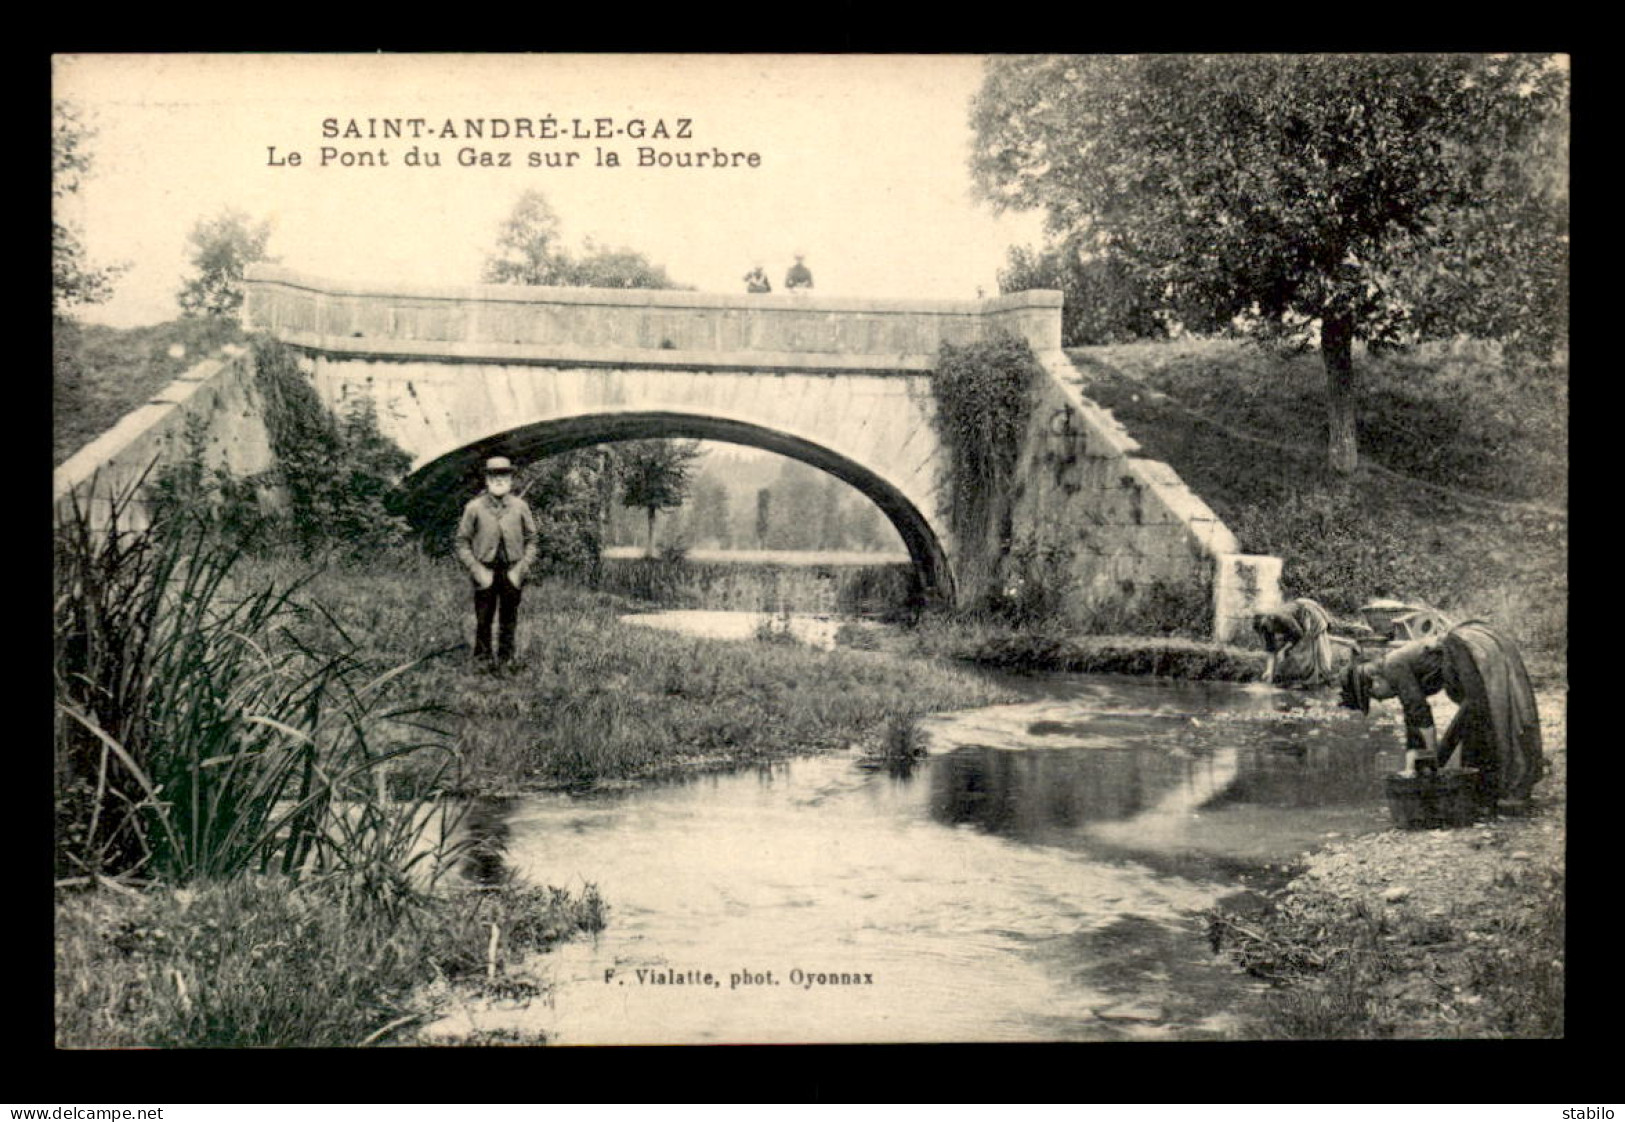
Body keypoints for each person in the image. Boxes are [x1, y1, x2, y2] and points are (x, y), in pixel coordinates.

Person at [1340, 620, 1544, 810]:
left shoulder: (1392, 666)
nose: (1382, 700)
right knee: (1480, 719)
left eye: (1374, 695)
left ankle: (1497, 790)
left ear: (1374, 680)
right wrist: (1416, 765)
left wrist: (1433, 761)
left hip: (1463, 648)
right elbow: (1413, 722)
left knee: (1481, 717)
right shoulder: (1394, 668)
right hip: (1465, 648)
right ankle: (1492, 791)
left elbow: (1419, 714)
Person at [455, 456, 538, 669]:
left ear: (511, 480)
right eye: (494, 475)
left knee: (509, 619)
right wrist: (476, 569)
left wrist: (521, 568)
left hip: (513, 570)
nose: (499, 480)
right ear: (487, 480)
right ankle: (482, 661)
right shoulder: (474, 507)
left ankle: (506, 660)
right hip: (484, 570)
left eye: (504, 475)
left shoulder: (520, 507)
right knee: (484, 618)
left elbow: (532, 540)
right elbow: (462, 542)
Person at [1252, 597, 1357, 687]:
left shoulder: (1283, 617)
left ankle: (1322, 679)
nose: (1267, 628)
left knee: (1314, 647)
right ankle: (1310, 678)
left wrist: (1284, 649)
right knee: (1314, 643)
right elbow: (1271, 650)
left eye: (1266, 625)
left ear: (1270, 618)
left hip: (1309, 614)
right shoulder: (1263, 627)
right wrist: (1269, 671)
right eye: (1263, 627)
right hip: (1299, 622)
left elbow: (1299, 634)